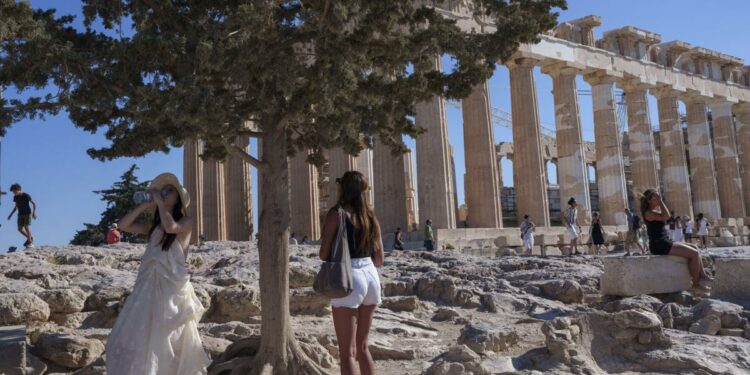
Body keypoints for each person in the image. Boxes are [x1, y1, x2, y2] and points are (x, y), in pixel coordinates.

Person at [105, 173, 209, 374]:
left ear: (178, 198)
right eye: (165, 190)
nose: (166, 193)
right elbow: (124, 225)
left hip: (172, 286)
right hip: (149, 284)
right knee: (135, 332)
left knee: (169, 335)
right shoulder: (154, 225)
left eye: (170, 191)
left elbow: (171, 228)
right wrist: (146, 204)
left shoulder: (187, 221)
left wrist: (160, 204)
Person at [319, 171, 384, 375]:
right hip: (372, 276)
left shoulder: (336, 214)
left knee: (347, 353)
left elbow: (323, 254)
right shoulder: (371, 216)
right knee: (363, 348)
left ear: (342, 188)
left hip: (349, 277)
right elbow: (380, 259)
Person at [640, 189, 712, 291]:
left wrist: (659, 201)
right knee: (694, 254)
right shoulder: (648, 213)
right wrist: (660, 201)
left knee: (695, 247)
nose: (659, 197)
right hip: (659, 244)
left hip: (664, 241)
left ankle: (703, 276)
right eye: (655, 196)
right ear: (649, 200)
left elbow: (666, 216)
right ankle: (696, 284)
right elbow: (667, 216)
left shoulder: (653, 212)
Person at [7, 184, 36, 248]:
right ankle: (30, 238)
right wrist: (10, 215)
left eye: (14, 192)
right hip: (20, 214)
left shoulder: (25, 195)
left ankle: (30, 242)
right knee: (19, 229)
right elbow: (16, 207)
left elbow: (34, 204)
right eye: (13, 192)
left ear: (18, 190)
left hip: (27, 213)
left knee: (26, 227)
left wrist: (34, 213)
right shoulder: (15, 197)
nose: (14, 193)